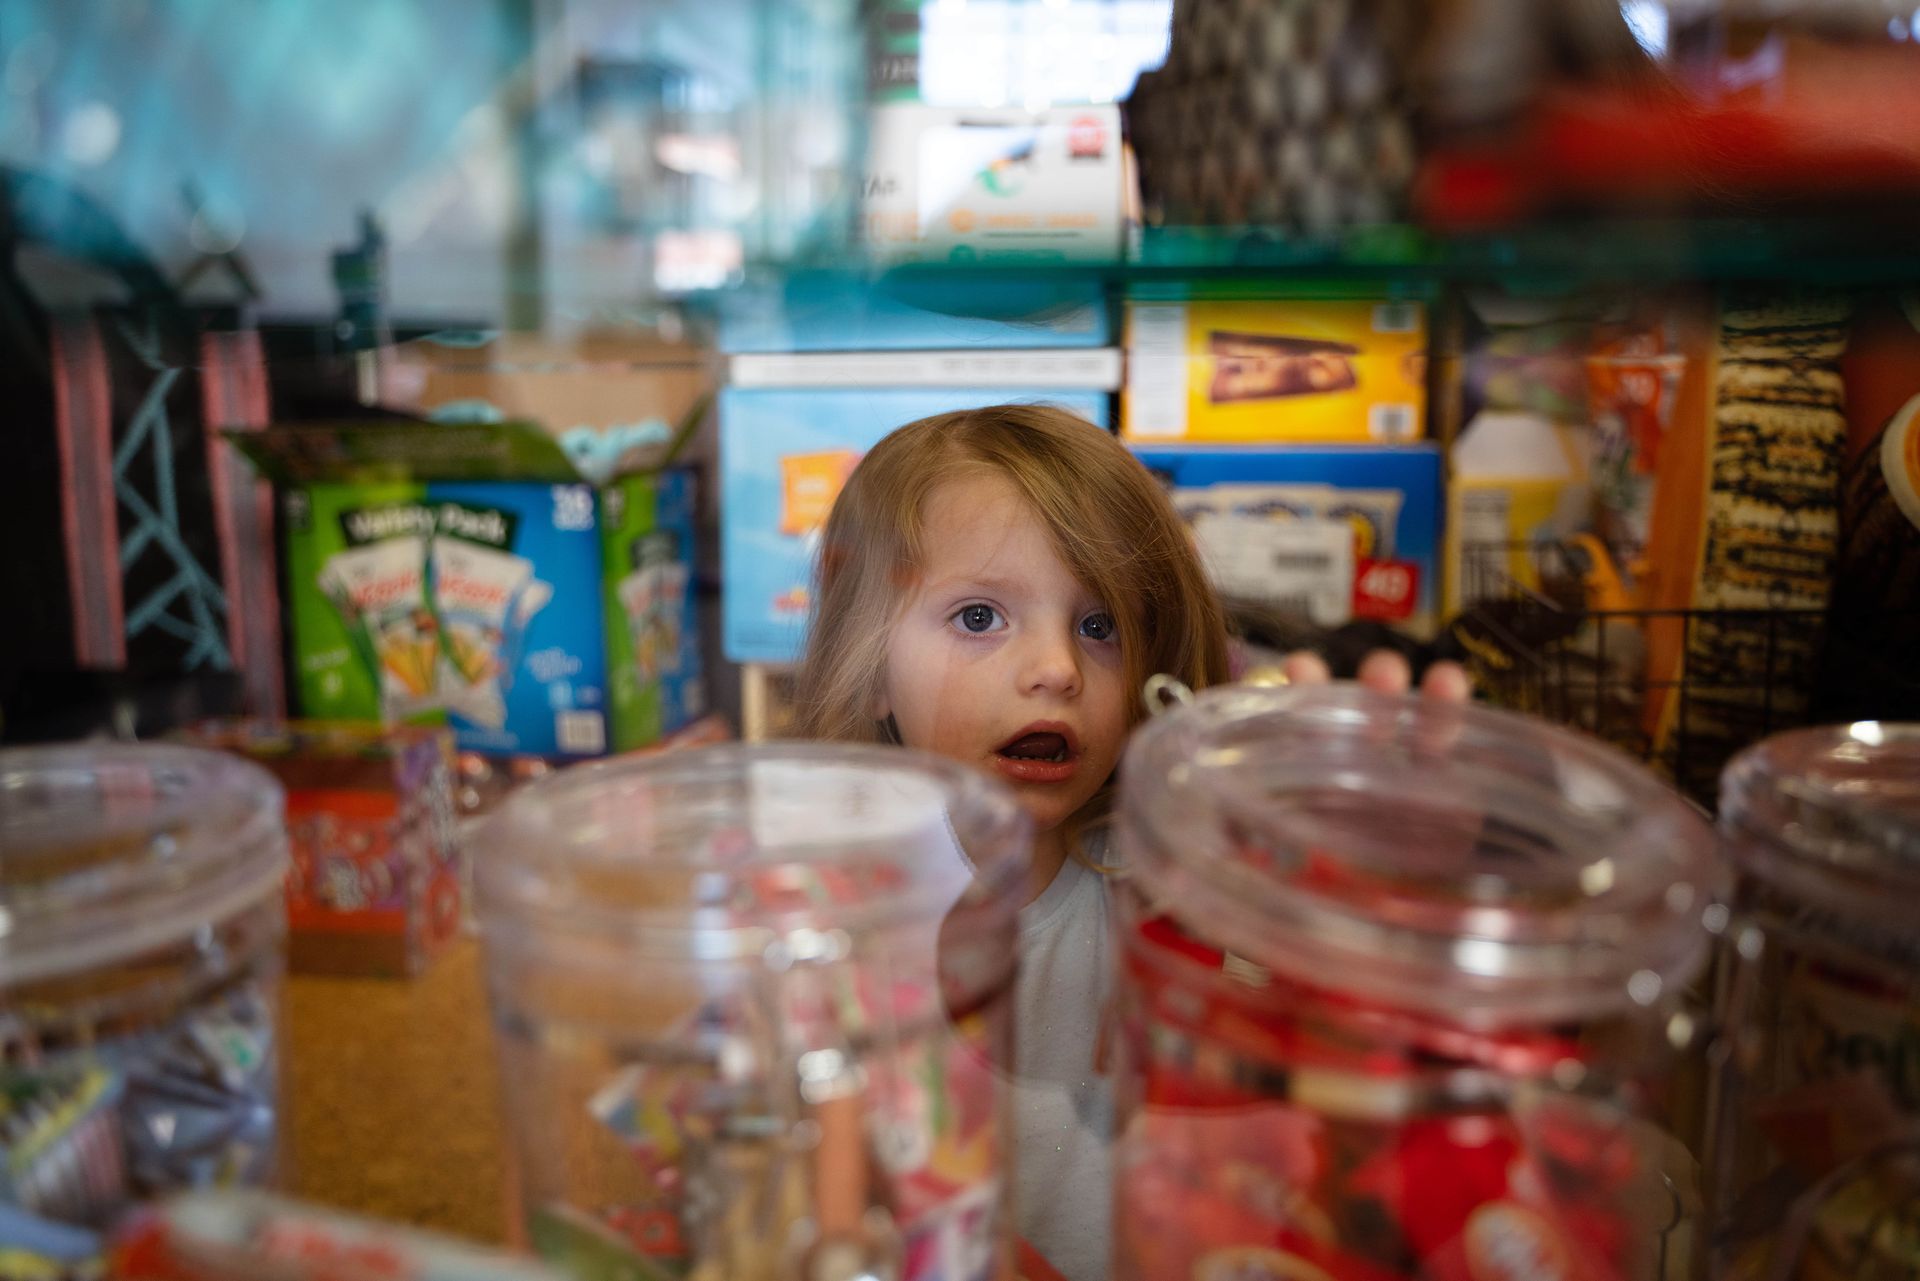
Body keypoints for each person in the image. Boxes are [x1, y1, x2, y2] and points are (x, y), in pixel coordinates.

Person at [790, 403, 1467, 1281]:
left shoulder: (1167, 889)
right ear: (872, 664)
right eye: (980, 617)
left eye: (1099, 624)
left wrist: (1374, 874)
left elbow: (1343, 1095)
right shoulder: (821, 921)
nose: (1058, 667)